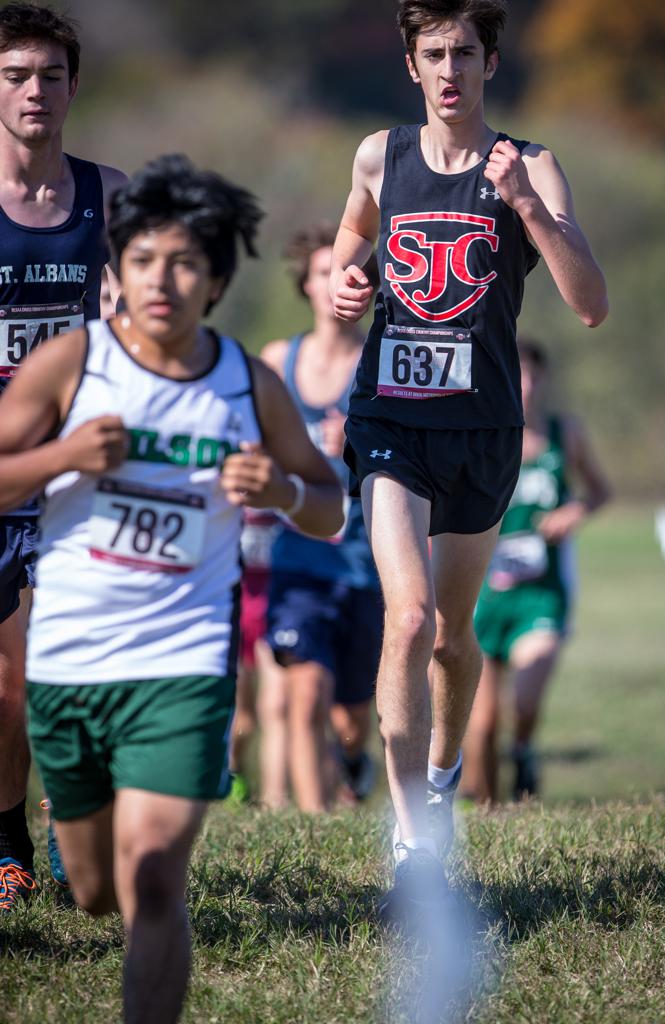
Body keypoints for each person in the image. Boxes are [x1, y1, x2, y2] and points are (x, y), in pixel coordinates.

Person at [0, 154, 343, 1023]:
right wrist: (61, 460)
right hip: (72, 665)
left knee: (155, 877)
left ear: (217, 279)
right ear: (116, 269)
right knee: (93, 892)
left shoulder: (248, 384)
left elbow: (331, 509)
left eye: (186, 262)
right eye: (145, 259)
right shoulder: (72, 367)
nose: (163, 280)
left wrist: (283, 494)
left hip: (185, 662)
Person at [329, 0, 608, 915]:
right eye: (432, 54)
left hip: (484, 431)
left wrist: (529, 208)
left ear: (491, 61)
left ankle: (444, 778)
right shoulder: (381, 155)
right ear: (411, 65)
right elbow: (348, 249)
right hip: (389, 422)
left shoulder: (529, 164)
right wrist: (347, 281)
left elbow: (590, 302)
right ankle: (413, 840)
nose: (449, 70)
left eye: (465, 53)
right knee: (405, 622)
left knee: (452, 636)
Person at [0, 1, 127, 906]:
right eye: (14, 75)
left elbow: (147, 316)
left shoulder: (107, 193)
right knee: (8, 685)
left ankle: (66, 828)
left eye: (49, 75)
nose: (33, 91)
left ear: (74, 87)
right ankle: (6, 845)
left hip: (79, 469)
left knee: (70, 671)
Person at [262, 223, 382, 812]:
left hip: (369, 563)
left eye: (349, 273)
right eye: (323, 273)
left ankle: (355, 762)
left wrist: (355, 446)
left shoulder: (384, 359)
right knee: (303, 691)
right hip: (298, 560)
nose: (336, 284)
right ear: (305, 285)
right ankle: (314, 823)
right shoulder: (276, 362)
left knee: (353, 713)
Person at [461, 339, 611, 803]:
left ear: (542, 380)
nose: (523, 386)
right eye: (514, 374)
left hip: (540, 595)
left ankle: (523, 747)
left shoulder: (565, 433)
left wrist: (574, 512)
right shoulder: (475, 434)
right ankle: (489, 814)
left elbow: (600, 491)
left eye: (531, 375)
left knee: (524, 701)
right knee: (481, 723)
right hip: (481, 595)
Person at [226, 505, 287, 808]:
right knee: (243, 717)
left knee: (276, 708)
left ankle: (275, 798)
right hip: (233, 609)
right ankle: (235, 772)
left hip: (276, 608)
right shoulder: (226, 483)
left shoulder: (287, 477)